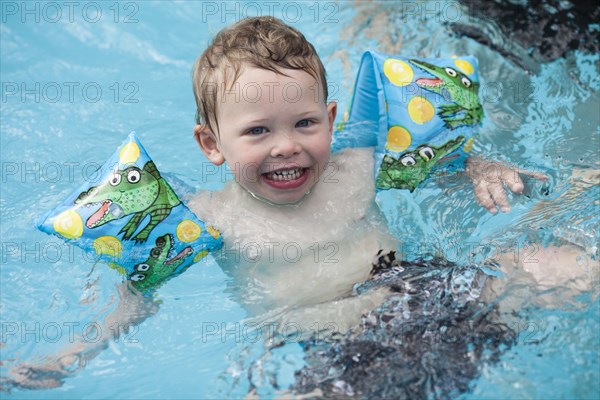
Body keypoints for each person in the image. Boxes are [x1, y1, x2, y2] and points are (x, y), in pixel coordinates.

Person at [5, 16, 594, 391]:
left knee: (570, 267)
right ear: (211, 144)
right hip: (327, 349)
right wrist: (77, 351)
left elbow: (440, 164)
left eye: (305, 123)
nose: (287, 145)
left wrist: (483, 169)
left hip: (431, 293)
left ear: (332, 121)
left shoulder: (357, 166)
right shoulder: (208, 217)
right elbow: (138, 294)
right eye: (258, 131)